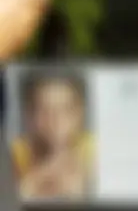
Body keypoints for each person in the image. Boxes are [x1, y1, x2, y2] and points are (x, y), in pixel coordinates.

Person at [11, 70, 93, 201]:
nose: (54, 121)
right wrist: (29, 185)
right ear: (29, 115)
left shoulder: (95, 150)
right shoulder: (14, 153)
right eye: (43, 109)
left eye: (65, 109)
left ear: (79, 114)